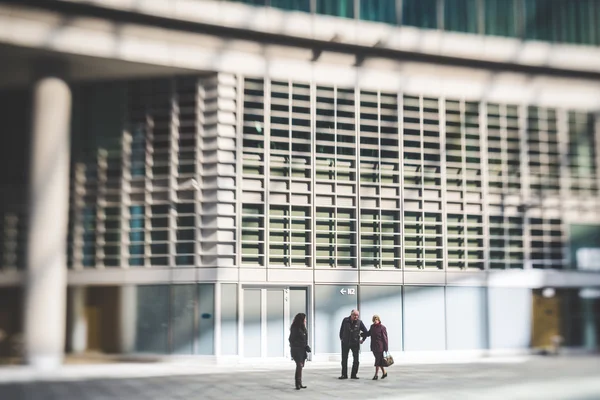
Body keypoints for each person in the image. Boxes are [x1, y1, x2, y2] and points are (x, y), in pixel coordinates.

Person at [339, 309, 368, 379]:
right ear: (351, 315)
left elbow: (366, 332)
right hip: (345, 343)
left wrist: (363, 339)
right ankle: (344, 375)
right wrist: (342, 338)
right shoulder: (345, 320)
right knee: (344, 359)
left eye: (357, 315)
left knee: (356, 360)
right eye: (354, 315)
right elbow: (341, 330)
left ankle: (354, 374)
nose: (356, 317)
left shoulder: (359, 322)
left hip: (355, 343)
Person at [289, 312, 311, 390]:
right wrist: (297, 345)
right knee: (299, 365)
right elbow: (291, 339)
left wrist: (306, 346)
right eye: (304, 319)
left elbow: (304, 339)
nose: (305, 321)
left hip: (302, 350)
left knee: (301, 366)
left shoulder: (303, 328)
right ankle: (297, 383)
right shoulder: (295, 328)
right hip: (297, 350)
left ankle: (299, 383)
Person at [365, 314, 389, 380]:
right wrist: (362, 334)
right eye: (374, 320)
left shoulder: (382, 327)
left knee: (377, 360)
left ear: (379, 320)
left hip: (380, 347)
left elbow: (385, 338)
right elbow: (368, 333)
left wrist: (386, 348)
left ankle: (376, 375)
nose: (375, 321)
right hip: (374, 346)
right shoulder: (372, 327)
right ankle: (384, 373)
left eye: (377, 319)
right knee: (379, 361)